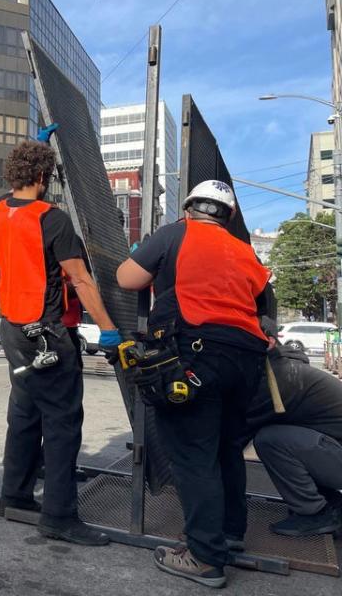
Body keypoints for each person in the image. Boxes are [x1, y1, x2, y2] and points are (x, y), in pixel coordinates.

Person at [117, 180, 271, 588]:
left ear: (188, 210)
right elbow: (261, 302)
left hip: (196, 355)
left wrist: (147, 260)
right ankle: (230, 534)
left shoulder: (174, 234)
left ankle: (204, 556)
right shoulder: (244, 251)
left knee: (193, 454)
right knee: (227, 449)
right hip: (247, 360)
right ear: (230, 217)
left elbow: (127, 279)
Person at [0, 140, 121, 546]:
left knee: (25, 413)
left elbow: (18, 198)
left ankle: (14, 495)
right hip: (45, 331)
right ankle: (60, 516)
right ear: (45, 178)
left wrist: (39, 148)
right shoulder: (53, 220)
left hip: (12, 328)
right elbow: (80, 279)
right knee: (63, 422)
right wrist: (109, 329)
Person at [241, 327, 342, 537]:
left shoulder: (278, 378)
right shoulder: (284, 366)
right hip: (332, 445)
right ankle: (332, 503)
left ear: (267, 343)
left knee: (270, 440)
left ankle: (315, 513)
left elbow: (237, 434)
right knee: (280, 436)